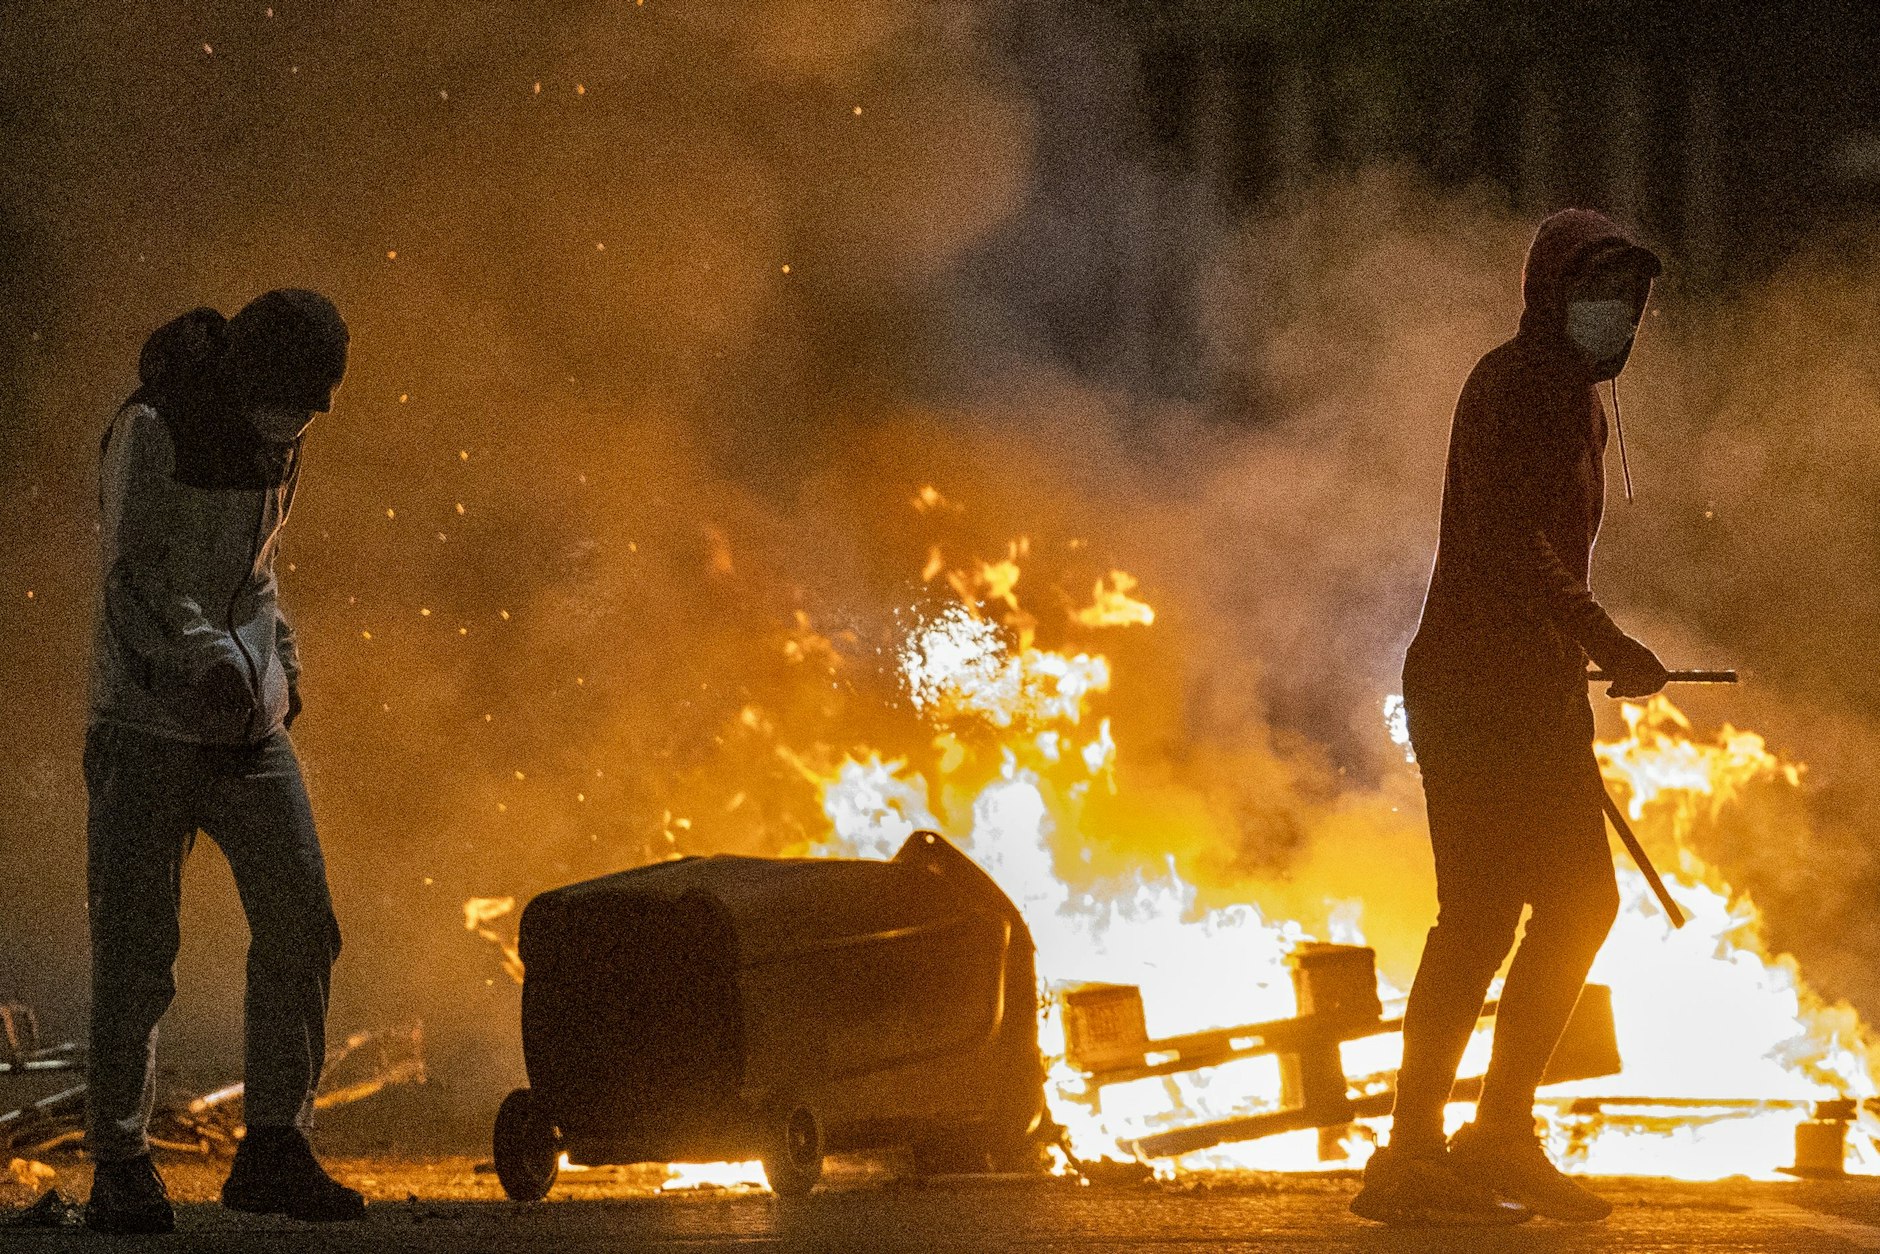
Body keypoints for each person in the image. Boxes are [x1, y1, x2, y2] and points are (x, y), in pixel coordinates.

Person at [1351, 210, 1670, 1227]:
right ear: (1547, 294)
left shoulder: (1579, 404)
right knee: (1485, 913)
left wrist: (1572, 652)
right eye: (1593, 292)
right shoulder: (1514, 385)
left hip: (1524, 687)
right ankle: (1410, 1155)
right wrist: (1604, 641)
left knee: (1576, 904)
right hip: (1469, 685)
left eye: (1623, 297)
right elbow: (1512, 542)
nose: (1610, 313)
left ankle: (1491, 1135)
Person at [82, 290, 365, 1233]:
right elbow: (141, 575)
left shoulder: (275, 435)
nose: (311, 416)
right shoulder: (154, 429)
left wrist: (280, 661)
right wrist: (204, 664)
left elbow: (256, 569)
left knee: (302, 926)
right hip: (148, 728)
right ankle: (120, 1164)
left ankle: (276, 1147)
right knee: (137, 955)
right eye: (302, 393)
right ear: (252, 373)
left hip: (249, 733)